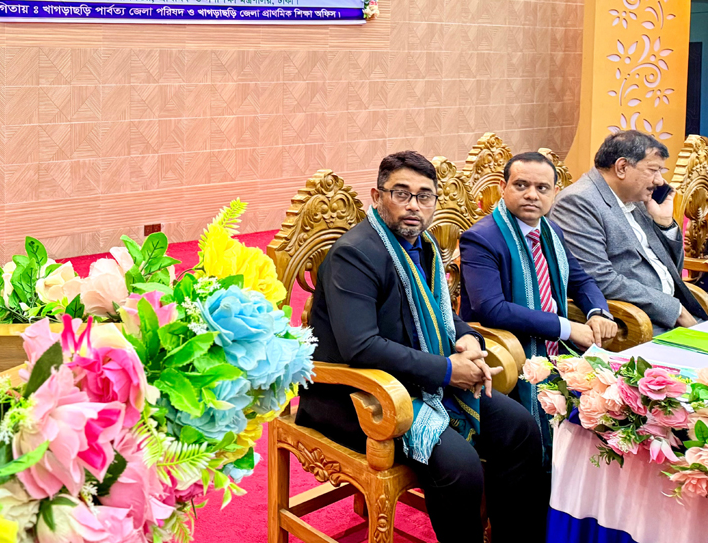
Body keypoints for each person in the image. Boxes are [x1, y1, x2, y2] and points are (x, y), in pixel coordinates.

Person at [296, 151, 548, 543]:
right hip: (359, 397)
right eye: (402, 193)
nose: (414, 205)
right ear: (377, 197)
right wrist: (448, 371)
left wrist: (467, 337)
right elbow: (361, 347)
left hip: (421, 381)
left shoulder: (423, 244)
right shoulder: (355, 254)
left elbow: (439, 313)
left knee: (520, 429)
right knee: (460, 466)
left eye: (425, 196)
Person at [458, 151, 616, 454]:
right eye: (521, 185)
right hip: (508, 354)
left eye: (542, 188)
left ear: (555, 192)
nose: (532, 195)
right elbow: (491, 309)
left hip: (559, 348)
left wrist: (598, 313)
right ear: (503, 187)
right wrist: (566, 328)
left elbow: (581, 280)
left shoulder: (550, 231)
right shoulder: (481, 239)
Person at [550, 130, 708, 335]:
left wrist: (665, 224)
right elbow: (599, 279)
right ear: (622, 167)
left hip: (675, 315)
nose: (660, 181)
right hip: (639, 325)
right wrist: (674, 310)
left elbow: (672, 271)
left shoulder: (637, 197)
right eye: (653, 170)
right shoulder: (578, 202)